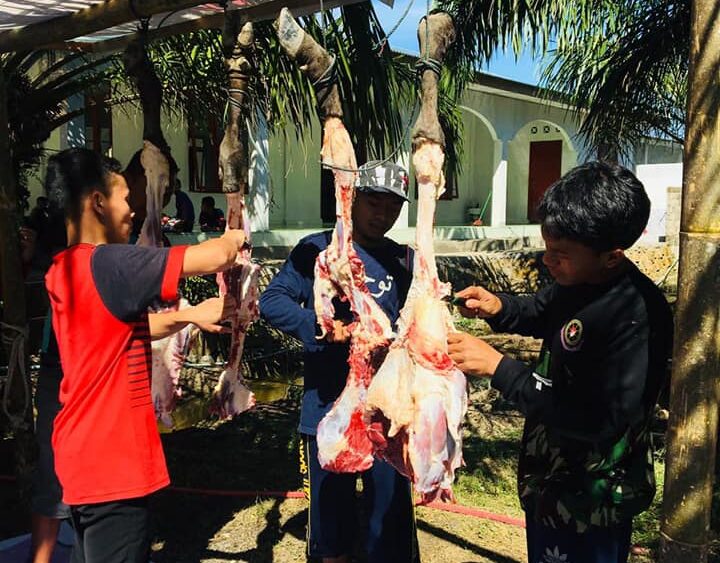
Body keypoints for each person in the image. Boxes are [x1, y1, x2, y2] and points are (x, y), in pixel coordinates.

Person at [447, 161, 673, 563]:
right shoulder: (578, 280)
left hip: (594, 498)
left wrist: (501, 369)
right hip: (550, 483)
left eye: (560, 254)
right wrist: (498, 307)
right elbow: (540, 310)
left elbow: (598, 420)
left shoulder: (637, 315)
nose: (548, 261)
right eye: (547, 248)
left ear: (611, 256)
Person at [43, 147, 246, 563]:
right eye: (123, 197)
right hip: (112, 466)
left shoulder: (65, 269)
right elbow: (213, 257)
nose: (133, 209)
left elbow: (119, 333)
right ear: (97, 203)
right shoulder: (112, 264)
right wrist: (234, 231)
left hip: (82, 459)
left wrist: (189, 315)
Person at [260, 161, 419, 563]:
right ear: (352, 199)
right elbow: (272, 301)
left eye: (392, 206)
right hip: (329, 412)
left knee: (391, 524)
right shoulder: (318, 251)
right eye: (373, 202)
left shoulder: (406, 261)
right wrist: (319, 327)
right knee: (331, 530)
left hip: (388, 414)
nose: (382, 214)